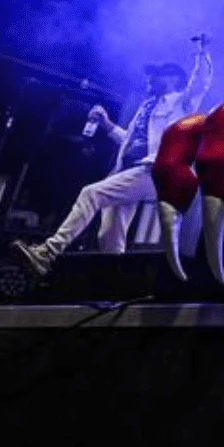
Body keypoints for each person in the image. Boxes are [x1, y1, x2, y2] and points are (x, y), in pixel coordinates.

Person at [12, 36, 213, 277]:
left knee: (91, 194)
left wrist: (202, 51)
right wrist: (107, 125)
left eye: (156, 75)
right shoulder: (147, 106)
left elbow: (200, 82)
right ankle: (114, 280)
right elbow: (131, 141)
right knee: (110, 234)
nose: (149, 79)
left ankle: (47, 252)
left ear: (172, 79)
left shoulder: (181, 102)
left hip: (156, 170)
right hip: (132, 171)